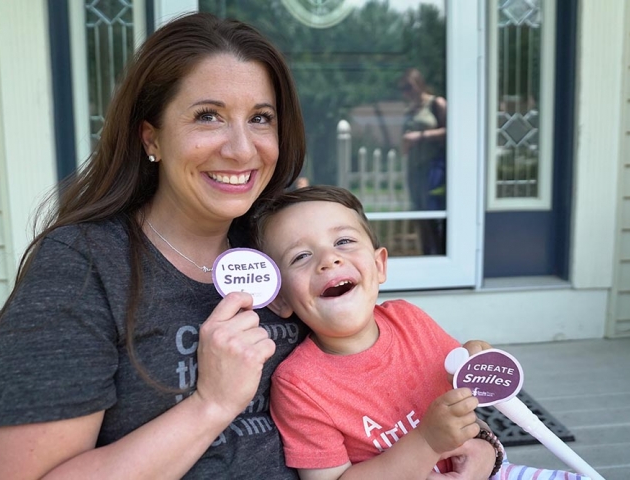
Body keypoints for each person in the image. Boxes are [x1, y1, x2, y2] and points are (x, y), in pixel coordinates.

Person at [0, 12, 306, 479]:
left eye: (260, 118)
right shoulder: (83, 267)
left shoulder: (287, 245)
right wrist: (210, 405)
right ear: (152, 137)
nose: (242, 149)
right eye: (208, 116)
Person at [253, 185, 591, 480]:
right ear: (281, 297)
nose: (329, 260)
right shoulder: (298, 385)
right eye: (301, 256)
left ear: (380, 265)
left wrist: (474, 364)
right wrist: (426, 441)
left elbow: (462, 398)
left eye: (343, 241)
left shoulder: (410, 321)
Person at [399, 68, 447, 255]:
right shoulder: (409, 110)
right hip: (414, 167)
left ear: (419, 84)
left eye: (408, 87)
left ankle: (442, 255)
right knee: (419, 212)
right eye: (402, 89)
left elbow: (451, 131)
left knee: (433, 210)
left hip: (434, 165)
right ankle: (427, 255)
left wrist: (419, 136)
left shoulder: (436, 103)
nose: (406, 92)